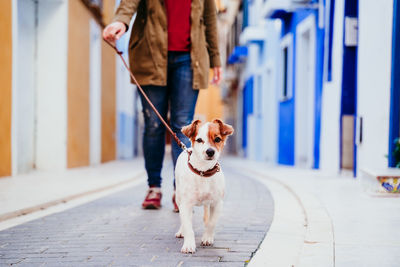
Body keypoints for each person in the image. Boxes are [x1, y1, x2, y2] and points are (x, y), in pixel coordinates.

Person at [103, 0, 222, 211]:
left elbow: (210, 18)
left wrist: (215, 59)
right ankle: (154, 187)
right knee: (153, 124)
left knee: (182, 126)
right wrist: (120, 22)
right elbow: (128, 3)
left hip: (190, 59)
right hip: (149, 55)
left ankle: (182, 190)